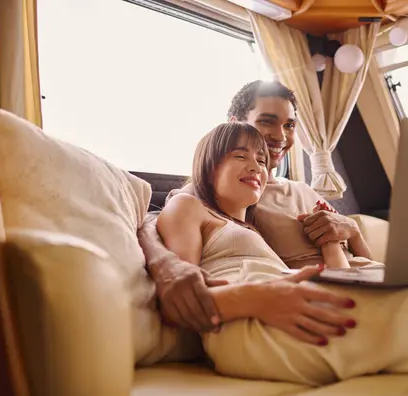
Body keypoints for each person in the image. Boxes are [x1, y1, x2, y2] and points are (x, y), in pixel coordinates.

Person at [156, 120, 408, 388]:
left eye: (263, 160)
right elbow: (181, 304)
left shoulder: (255, 228)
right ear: (208, 165)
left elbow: (338, 272)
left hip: (288, 303)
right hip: (250, 322)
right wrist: (261, 298)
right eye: (240, 156)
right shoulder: (187, 207)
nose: (258, 167)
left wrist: (331, 243)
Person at [138, 80, 371, 339]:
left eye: (289, 125)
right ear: (235, 121)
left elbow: (360, 257)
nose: (280, 135)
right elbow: (153, 222)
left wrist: (353, 231)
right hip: (317, 291)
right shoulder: (214, 194)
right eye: (267, 121)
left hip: (357, 276)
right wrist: (164, 264)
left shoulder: (300, 192)